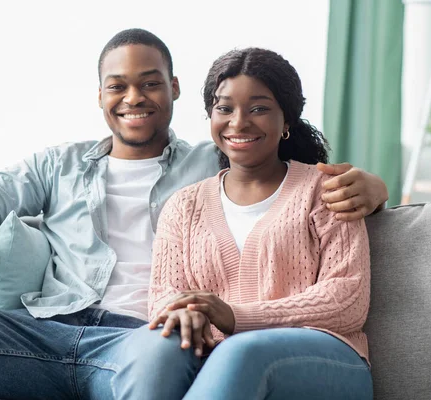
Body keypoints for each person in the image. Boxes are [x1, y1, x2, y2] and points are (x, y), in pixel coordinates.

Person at [0, 29, 383, 399]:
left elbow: (284, 177)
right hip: (43, 328)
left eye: (150, 83)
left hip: (143, 339)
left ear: (177, 90)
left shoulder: (217, 161)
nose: (133, 97)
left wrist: (376, 188)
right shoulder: (58, 166)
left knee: (166, 347)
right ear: (100, 95)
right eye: (117, 85)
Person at [148, 47, 372, 399]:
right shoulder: (183, 206)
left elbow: (347, 301)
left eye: (259, 108)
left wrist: (235, 316)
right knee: (156, 353)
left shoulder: (325, 190)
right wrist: (184, 313)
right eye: (224, 108)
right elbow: (164, 297)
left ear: (287, 121)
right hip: (223, 366)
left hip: (328, 362)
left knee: (240, 351)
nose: (239, 122)